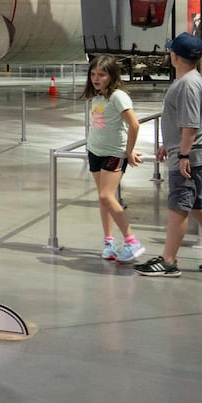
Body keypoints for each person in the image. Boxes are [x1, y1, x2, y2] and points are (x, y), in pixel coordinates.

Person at [133, 33, 202, 277]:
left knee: (179, 206)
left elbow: (191, 125)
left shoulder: (186, 84)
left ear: (174, 56)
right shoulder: (193, 80)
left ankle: (169, 260)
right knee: (196, 205)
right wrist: (170, 144)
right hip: (191, 152)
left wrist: (183, 154)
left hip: (190, 157)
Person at [82, 55, 145, 263]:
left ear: (112, 76)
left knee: (105, 196)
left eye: (101, 75)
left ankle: (131, 240)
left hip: (113, 153)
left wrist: (129, 151)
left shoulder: (118, 96)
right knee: (104, 199)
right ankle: (109, 241)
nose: (96, 79)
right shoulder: (97, 97)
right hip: (95, 151)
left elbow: (134, 125)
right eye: (93, 74)